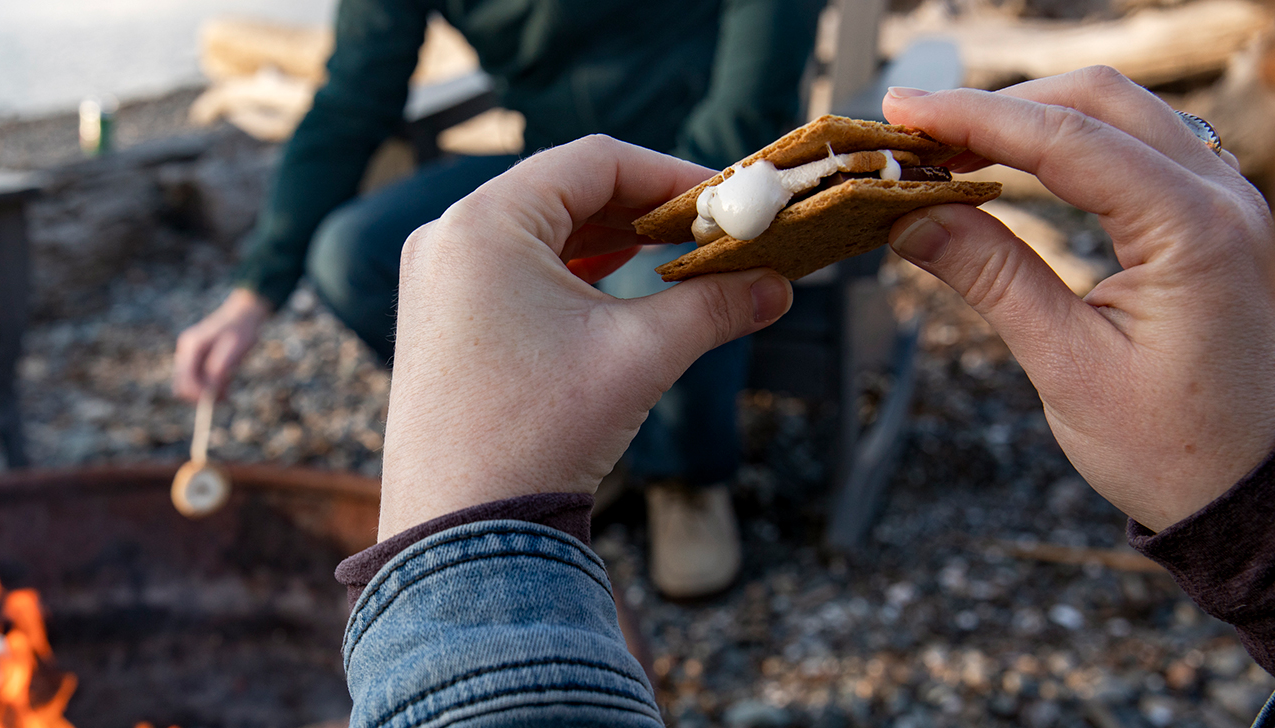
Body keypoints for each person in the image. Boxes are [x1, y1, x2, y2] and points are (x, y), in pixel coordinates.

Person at [336, 66, 1275, 726]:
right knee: (362, 245)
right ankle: (592, 456)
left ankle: (685, 474)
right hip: (549, 155)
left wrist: (458, 543)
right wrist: (1256, 515)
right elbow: (359, 81)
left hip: (713, 139)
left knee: (676, 292)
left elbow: (769, 23)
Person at [173, 0, 830, 599]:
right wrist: (252, 295)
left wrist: (713, 175)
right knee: (354, 256)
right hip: (558, 167)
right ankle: (588, 436)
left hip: (706, 162)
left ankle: (685, 479)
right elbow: (351, 102)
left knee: (657, 273)